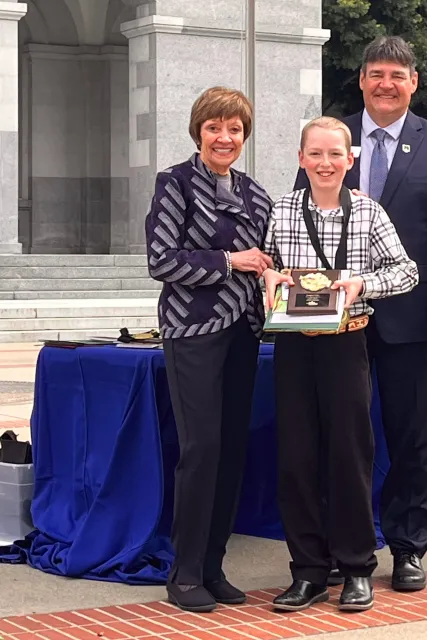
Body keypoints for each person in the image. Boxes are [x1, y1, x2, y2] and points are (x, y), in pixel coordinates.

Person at [294, 36, 427, 592]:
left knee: (410, 437)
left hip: (410, 319)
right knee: (337, 438)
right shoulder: (331, 137)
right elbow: (300, 227)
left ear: (413, 82)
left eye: (397, 74)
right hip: (333, 325)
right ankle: (335, 549)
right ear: (362, 79)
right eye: (376, 73)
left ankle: (407, 546)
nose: (386, 83)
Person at [264, 117, 419, 612]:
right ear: (301, 158)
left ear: (350, 160)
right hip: (293, 347)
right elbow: (267, 263)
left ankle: (355, 568)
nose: (326, 163)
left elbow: (407, 270)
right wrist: (269, 277)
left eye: (336, 154)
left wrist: (361, 284)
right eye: (316, 154)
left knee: (350, 458)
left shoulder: (370, 213)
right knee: (297, 458)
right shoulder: (283, 209)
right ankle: (307, 571)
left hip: (347, 342)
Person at [145, 86, 273, 612]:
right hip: (192, 332)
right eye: (215, 127)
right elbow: (161, 260)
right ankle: (185, 571)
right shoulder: (175, 183)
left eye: (235, 129)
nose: (225, 137)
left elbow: (270, 258)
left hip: (244, 332)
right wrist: (229, 261)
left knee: (231, 452)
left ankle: (214, 566)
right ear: (199, 131)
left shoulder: (257, 194)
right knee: (200, 451)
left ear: (244, 136)